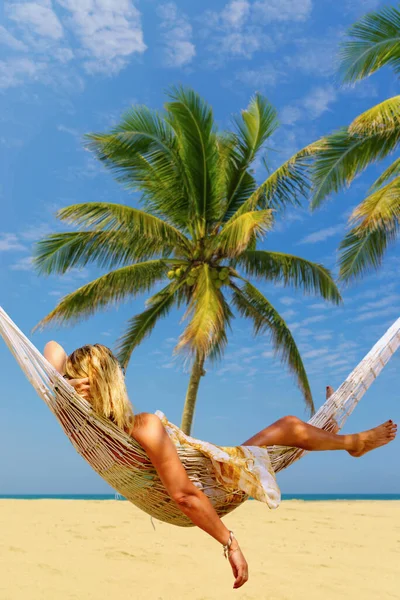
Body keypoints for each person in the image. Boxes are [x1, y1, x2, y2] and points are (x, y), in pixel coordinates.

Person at [44, 340, 397, 590]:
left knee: (287, 434)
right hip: (214, 488)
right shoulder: (142, 426)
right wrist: (231, 543)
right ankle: (352, 443)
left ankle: (331, 434)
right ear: (114, 382)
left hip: (194, 483)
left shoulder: (71, 417)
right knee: (288, 427)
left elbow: (51, 350)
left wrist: (65, 385)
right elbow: (185, 495)